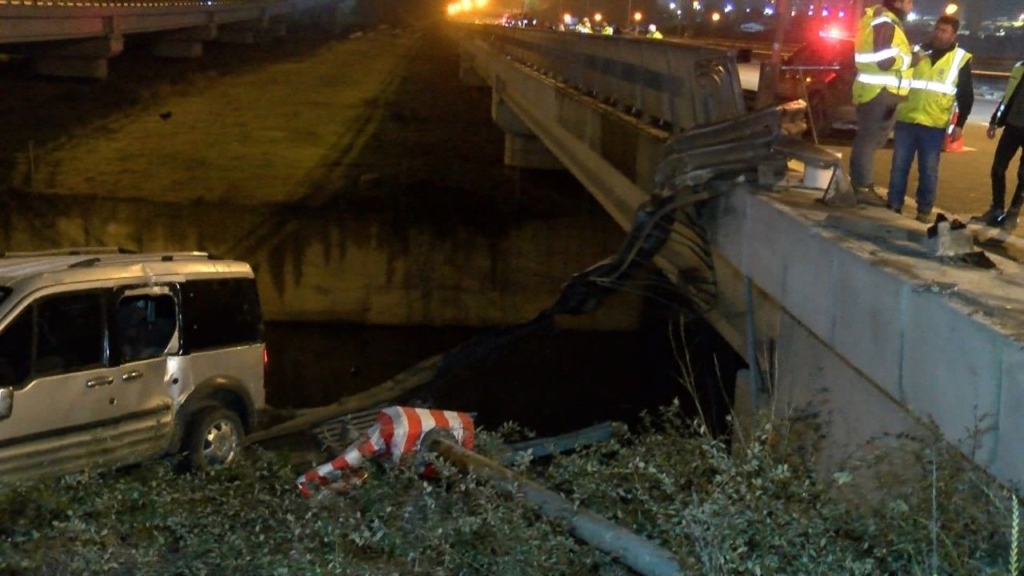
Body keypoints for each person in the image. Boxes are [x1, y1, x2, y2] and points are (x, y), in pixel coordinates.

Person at [886, 16, 972, 223]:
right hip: (907, 118)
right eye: (937, 29)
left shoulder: (960, 59)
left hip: (934, 124)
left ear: (954, 35)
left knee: (929, 170)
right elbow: (899, 79)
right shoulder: (917, 52)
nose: (939, 34)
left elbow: (966, 95)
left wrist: (959, 125)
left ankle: (924, 210)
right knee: (899, 165)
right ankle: (894, 204)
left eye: (944, 31)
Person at [849, 0, 918, 207]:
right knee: (869, 141)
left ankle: (861, 185)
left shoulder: (877, 19)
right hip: (880, 93)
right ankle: (862, 188)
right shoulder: (886, 21)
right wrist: (912, 59)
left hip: (876, 91)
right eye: (909, 2)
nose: (911, 7)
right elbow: (885, 61)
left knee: (868, 140)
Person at [981, 60, 1024, 226]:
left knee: (1023, 174)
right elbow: (1008, 97)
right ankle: (997, 207)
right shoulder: (1019, 68)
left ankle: (1014, 210)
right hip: (1012, 126)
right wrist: (994, 121)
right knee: (998, 168)